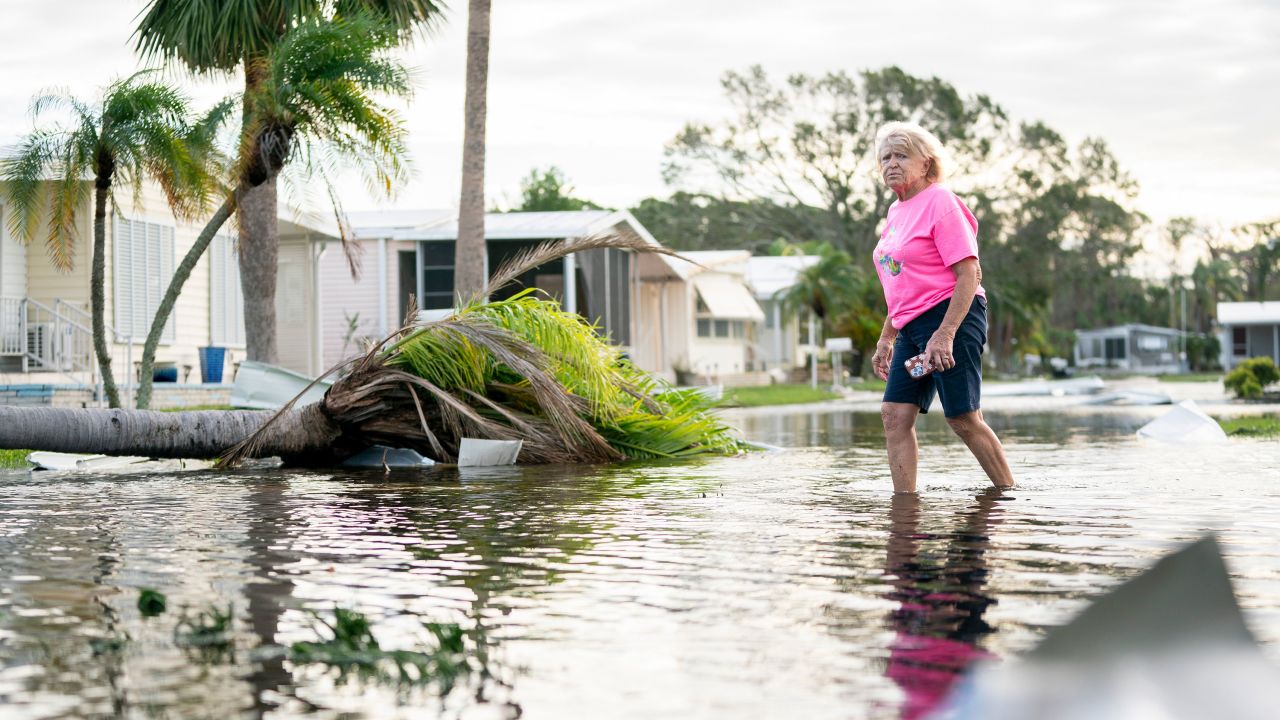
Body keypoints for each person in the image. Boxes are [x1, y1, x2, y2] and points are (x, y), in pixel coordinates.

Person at [869, 121, 1014, 493]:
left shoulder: (941, 201)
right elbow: (902, 284)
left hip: (952, 316)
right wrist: (886, 338)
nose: (891, 164)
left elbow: (970, 272)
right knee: (894, 416)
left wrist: (944, 334)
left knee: (963, 417)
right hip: (912, 325)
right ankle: (905, 508)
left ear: (926, 164)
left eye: (902, 156)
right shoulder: (896, 212)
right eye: (885, 157)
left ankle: (1009, 496)